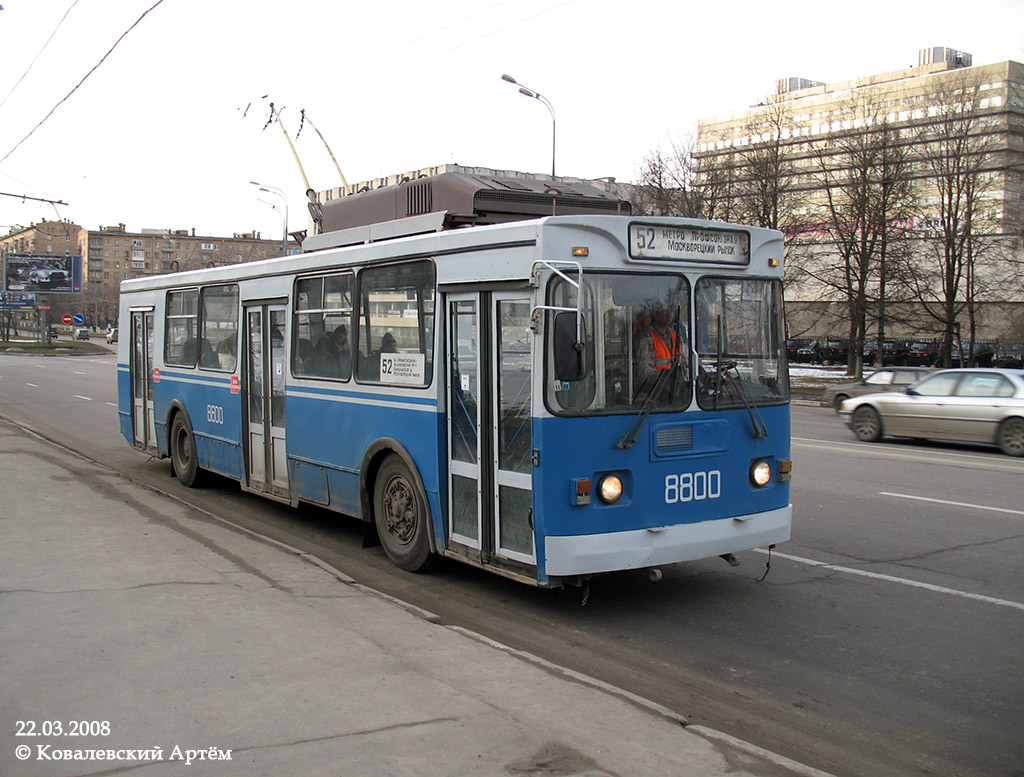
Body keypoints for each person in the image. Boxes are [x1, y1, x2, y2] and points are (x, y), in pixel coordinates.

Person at [635, 305, 685, 391]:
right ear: (656, 313)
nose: (669, 314)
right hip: (656, 391)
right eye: (665, 310)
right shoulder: (647, 338)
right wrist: (663, 374)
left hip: (678, 390)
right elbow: (643, 370)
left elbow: (687, 362)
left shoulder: (676, 337)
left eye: (671, 310)